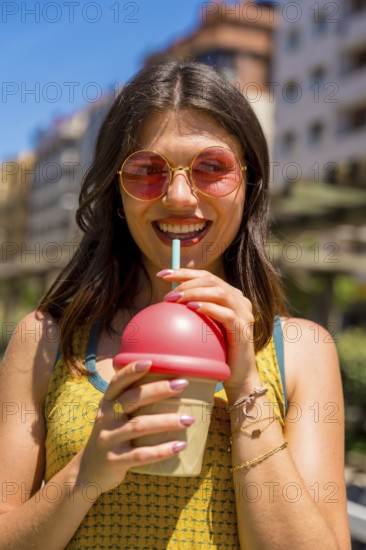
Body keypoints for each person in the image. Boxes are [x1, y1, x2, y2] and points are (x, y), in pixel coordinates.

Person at [0, 61, 350, 549]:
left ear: (248, 186)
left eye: (211, 168)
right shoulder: (46, 341)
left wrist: (246, 385)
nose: (180, 196)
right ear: (116, 194)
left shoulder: (303, 350)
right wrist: (86, 476)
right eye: (147, 171)